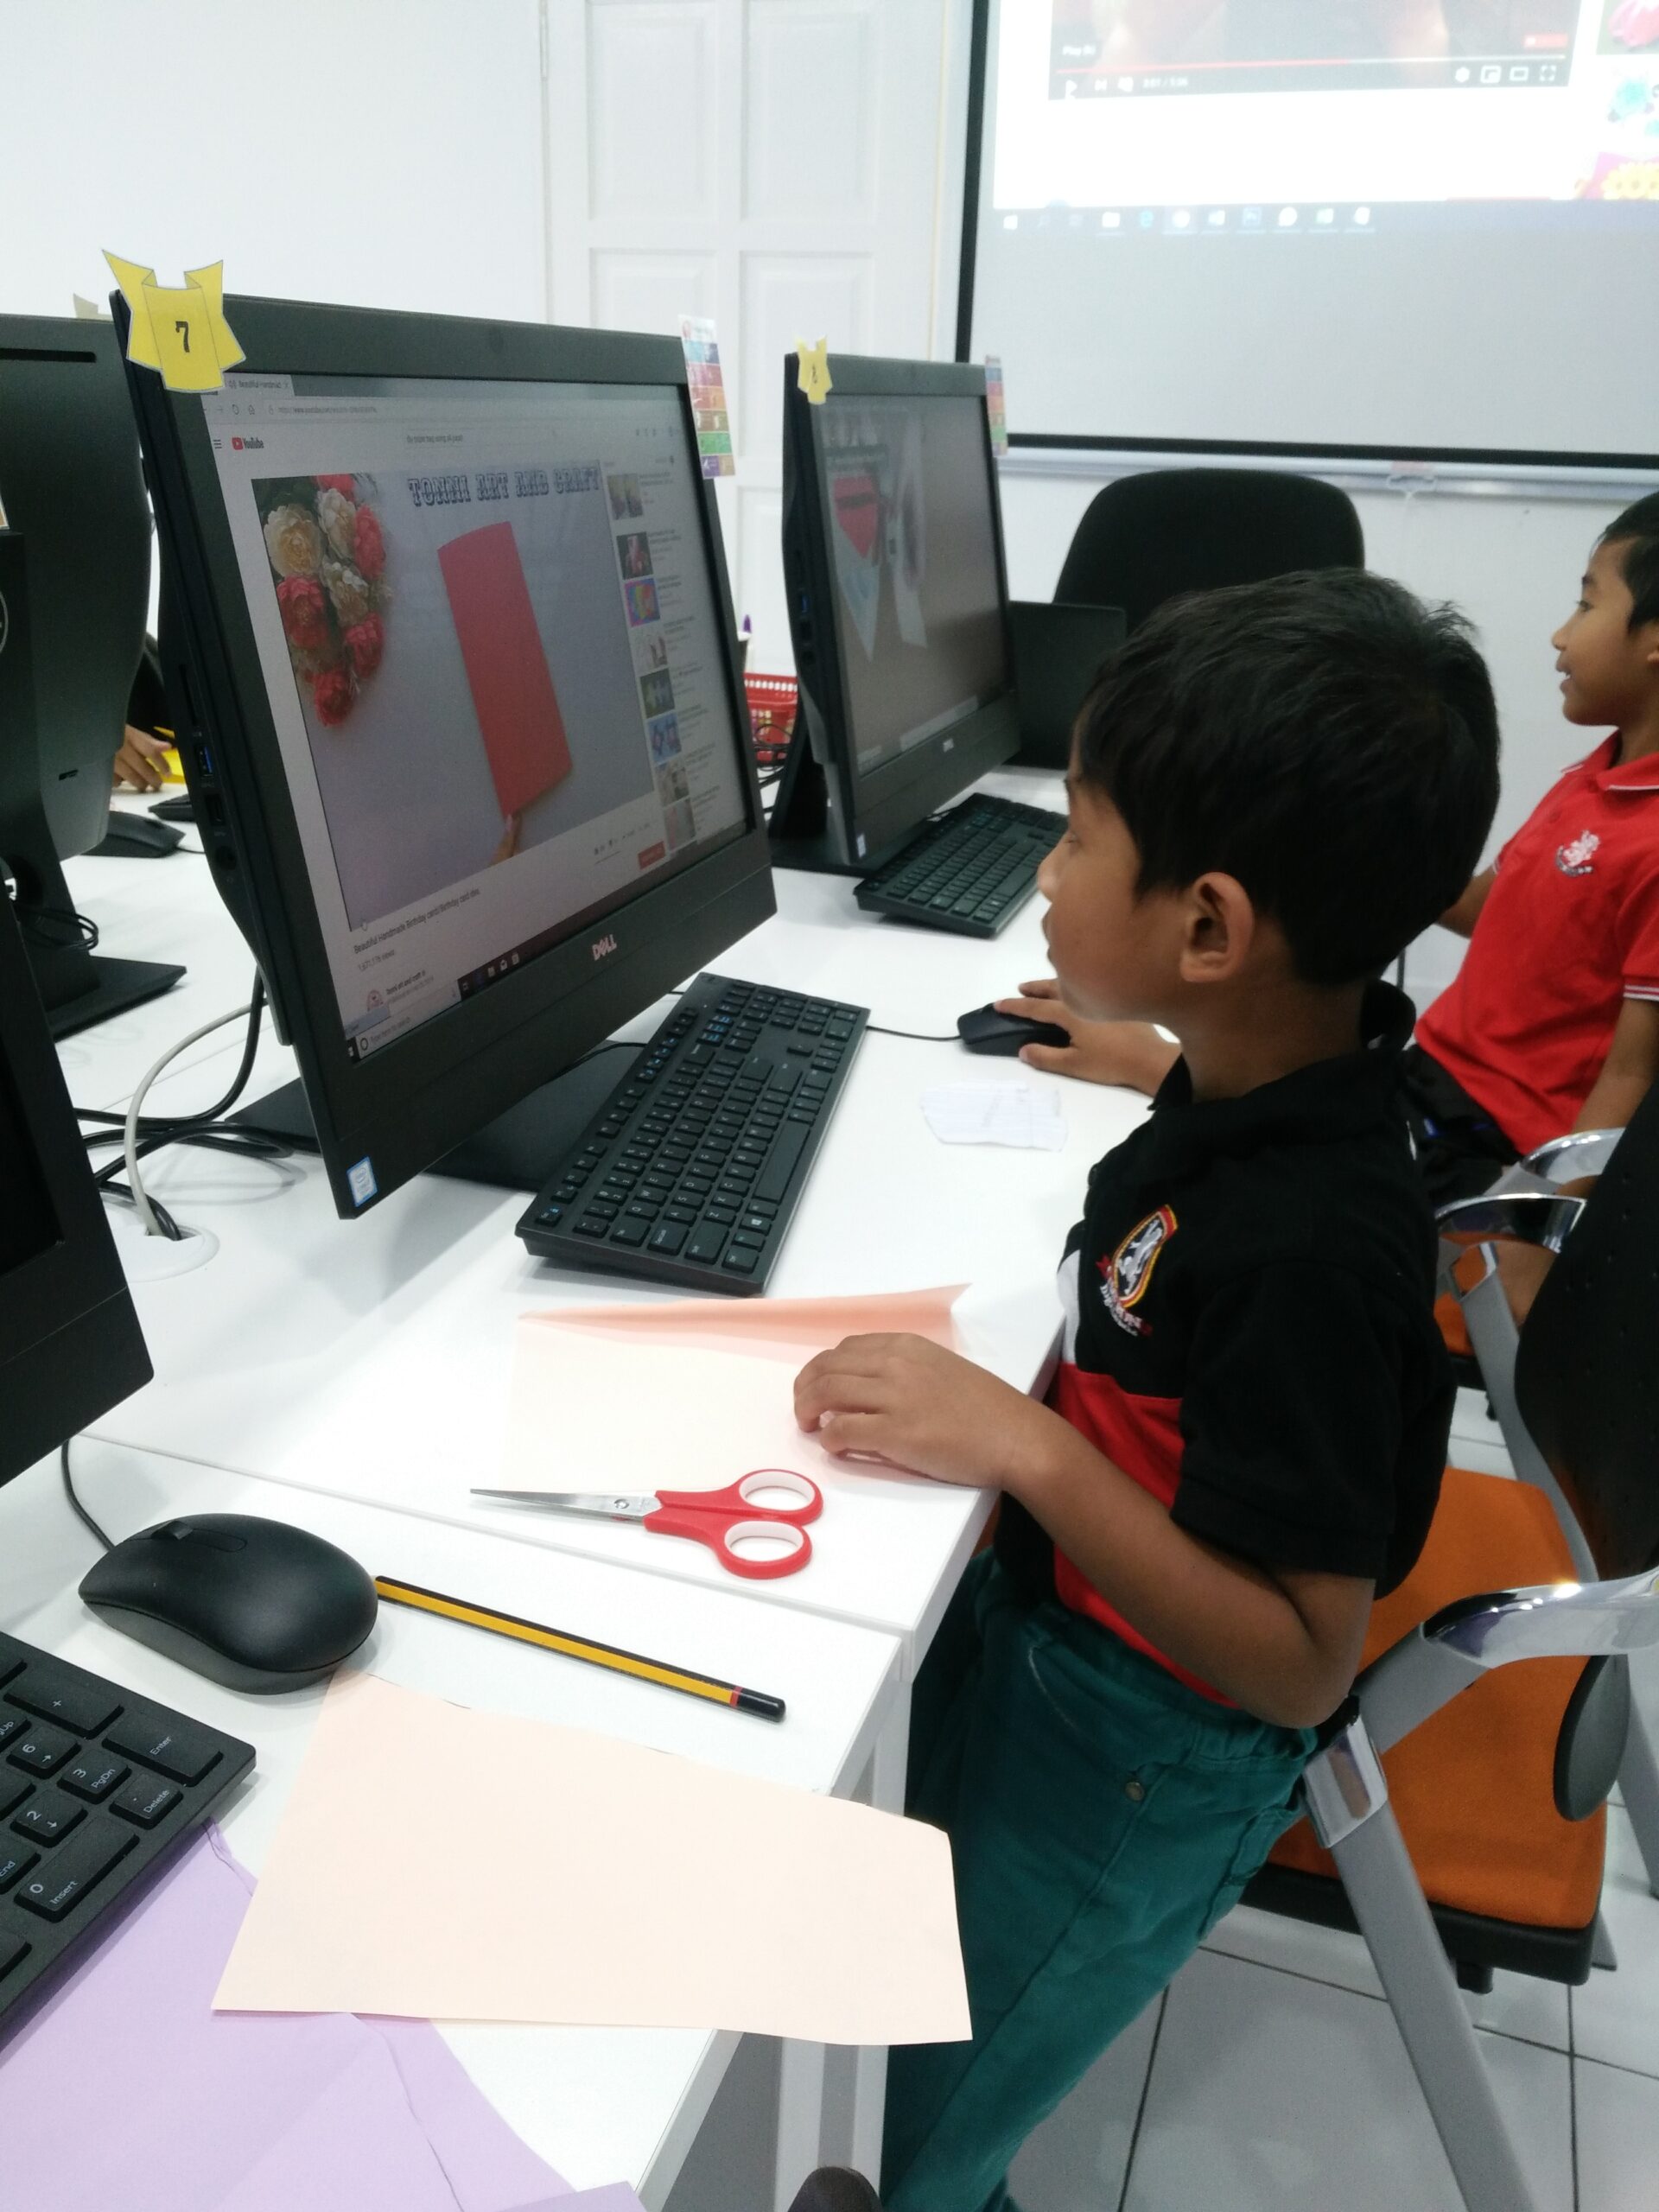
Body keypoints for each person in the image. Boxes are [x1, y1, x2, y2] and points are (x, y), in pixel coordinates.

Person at [792, 569, 1499, 2212]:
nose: (1043, 873)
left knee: (909, 2128)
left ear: (1209, 932)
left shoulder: (1311, 1250)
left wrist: (1028, 1450)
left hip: (1137, 1757)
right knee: (869, 2001)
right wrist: (1162, 1053)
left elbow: (1300, 1662)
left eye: (1074, 838)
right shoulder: (1277, 1077)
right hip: (1056, 1647)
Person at [1005, 499, 1659, 1234]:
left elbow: (1633, 1077)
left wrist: (1548, 1237)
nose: (1562, 633)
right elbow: (1489, 907)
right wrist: (1346, 839)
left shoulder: (1298, 1261)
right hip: (1424, 1081)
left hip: (1491, 1150)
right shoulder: (1597, 777)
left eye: (1587, 603)